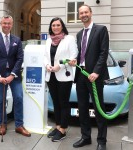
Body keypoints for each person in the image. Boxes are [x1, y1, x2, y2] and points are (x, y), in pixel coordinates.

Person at [70, 4, 109, 150]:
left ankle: (102, 141)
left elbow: (103, 53)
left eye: (86, 12)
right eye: (81, 13)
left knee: (99, 109)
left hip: (95, 76)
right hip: (81, 75)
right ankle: (85, 137)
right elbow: (81, 54)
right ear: (79, 16)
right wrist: (75, 61)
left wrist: (97, 72)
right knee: (82, 107)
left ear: (91, 13)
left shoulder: (101, 30)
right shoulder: (79, 34)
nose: (83, 15)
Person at [0, 15, 31, 137]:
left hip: (14, 75)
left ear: (12, 25)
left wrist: (12, 74)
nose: (7, 25)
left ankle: (19, 125)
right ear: (0, 24)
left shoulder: (17, 40)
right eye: (4, 23)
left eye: (9, 23)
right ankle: (2, 124)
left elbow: (19, 58)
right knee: (1, 100)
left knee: (18, 97)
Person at [44, 17, 78, 142]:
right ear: (51, 27)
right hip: (51, 75)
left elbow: (73, 56)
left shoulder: (69, 39)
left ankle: (63, 129)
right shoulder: (49, 40)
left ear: (62, 26)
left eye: (58, 25)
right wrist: (47, 65)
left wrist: (60, 66)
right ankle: (58, 126)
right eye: (53, 25)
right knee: (56, 102)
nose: (56, 27)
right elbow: (45, 57)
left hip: (64, 75)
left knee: (63, 103)